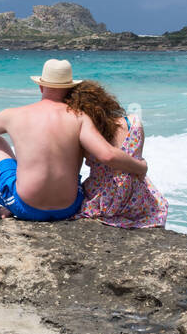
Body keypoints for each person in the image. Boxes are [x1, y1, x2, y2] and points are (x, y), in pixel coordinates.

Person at [0, 59, 148, 221]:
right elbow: (107, 155)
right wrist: (140, 167)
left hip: (26, 206)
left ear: (41, 86)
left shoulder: (13, 115)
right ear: (70, 89)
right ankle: (11, 203)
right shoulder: (80, 117)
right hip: (68, 208)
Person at [66, 81, 168, 229]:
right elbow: (137, 156)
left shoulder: (86, 135)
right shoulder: (134, 122)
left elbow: (74, 171)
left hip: (105, 201)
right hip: (138, 200)